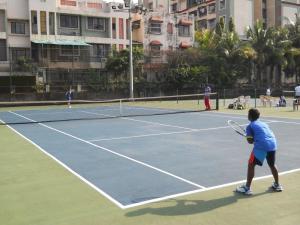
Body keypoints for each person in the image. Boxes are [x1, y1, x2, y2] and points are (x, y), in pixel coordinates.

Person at [236, 108, 283, 195]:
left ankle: (247, 188)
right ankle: (277, 185)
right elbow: (263, 135)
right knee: (272, 165)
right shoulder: (264, 124)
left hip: (261, 146)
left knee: (251, 164)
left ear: (249, 116)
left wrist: (248, 137)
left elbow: (250, 141)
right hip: (273, 144)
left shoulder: (250, 126)